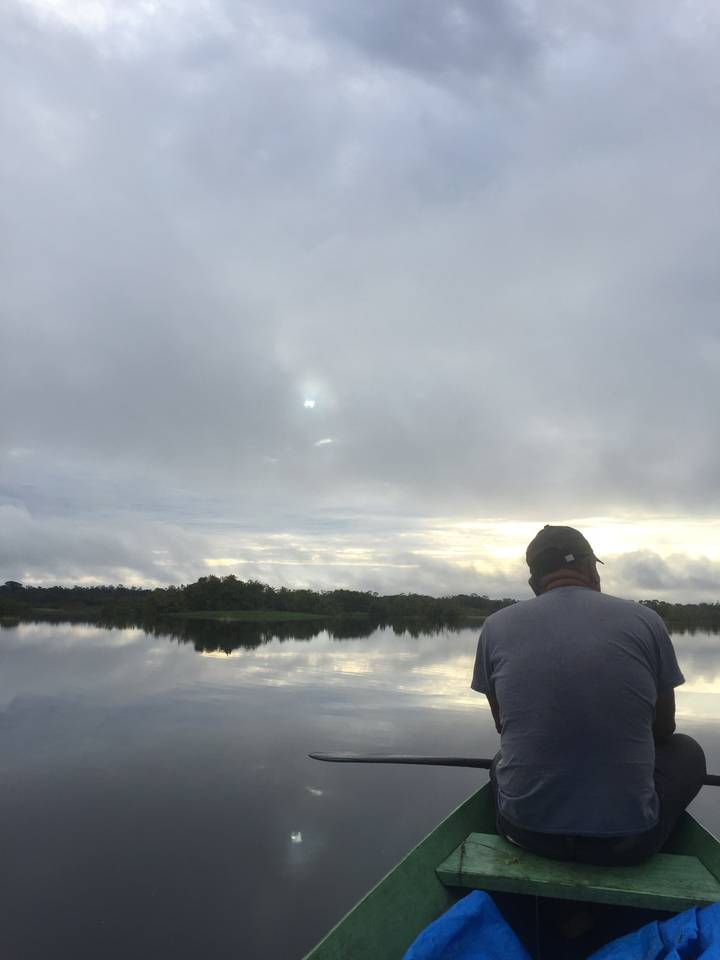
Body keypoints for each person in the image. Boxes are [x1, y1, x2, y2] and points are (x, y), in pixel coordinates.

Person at [471, 524, 706, 866]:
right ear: (590, 569)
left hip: (523, 832)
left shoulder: (495, 626)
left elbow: (503, 724)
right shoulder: (646, 621)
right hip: (628, 842)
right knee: (687, 749)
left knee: (501, 760)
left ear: (534, 584)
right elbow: (663, 730)